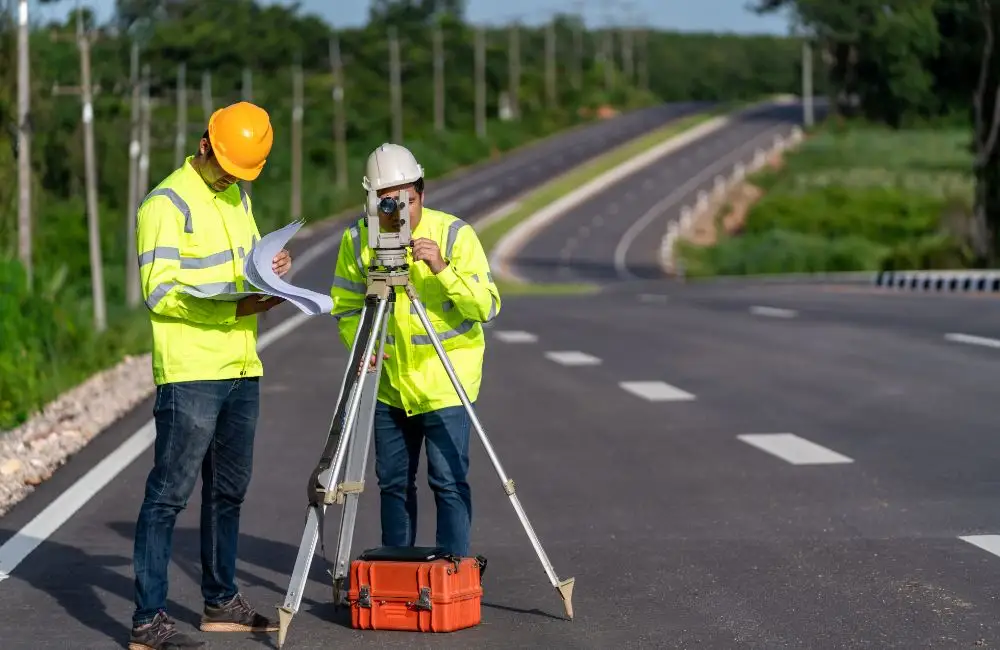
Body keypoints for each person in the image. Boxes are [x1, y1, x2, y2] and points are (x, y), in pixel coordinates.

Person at [129, 101, 290, 650]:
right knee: (168, 496)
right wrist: (234, 310)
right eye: (228, 167)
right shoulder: (166, 203)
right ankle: (148, 622)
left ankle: (220, 602)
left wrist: (271, 271)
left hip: (242, 364)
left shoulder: (237, 198)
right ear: (205, 145)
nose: (232, 177)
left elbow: (240, 267)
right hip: (192, 370)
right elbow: (159, 292)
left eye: (242, 172)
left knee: (229, 492)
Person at [329, 143, 501, 558]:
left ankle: (453, 571)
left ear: (423, 193)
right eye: (388, 202)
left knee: (448, 480)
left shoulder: (454, 235)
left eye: (407, 199)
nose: (400, 211)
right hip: (388, 386)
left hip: (445, 384)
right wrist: (361, 346)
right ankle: (397, 571)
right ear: (372, 202)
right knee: (392, 482)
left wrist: (442, 269)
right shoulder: (358, 241)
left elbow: (487, 306)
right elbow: (346, 307)